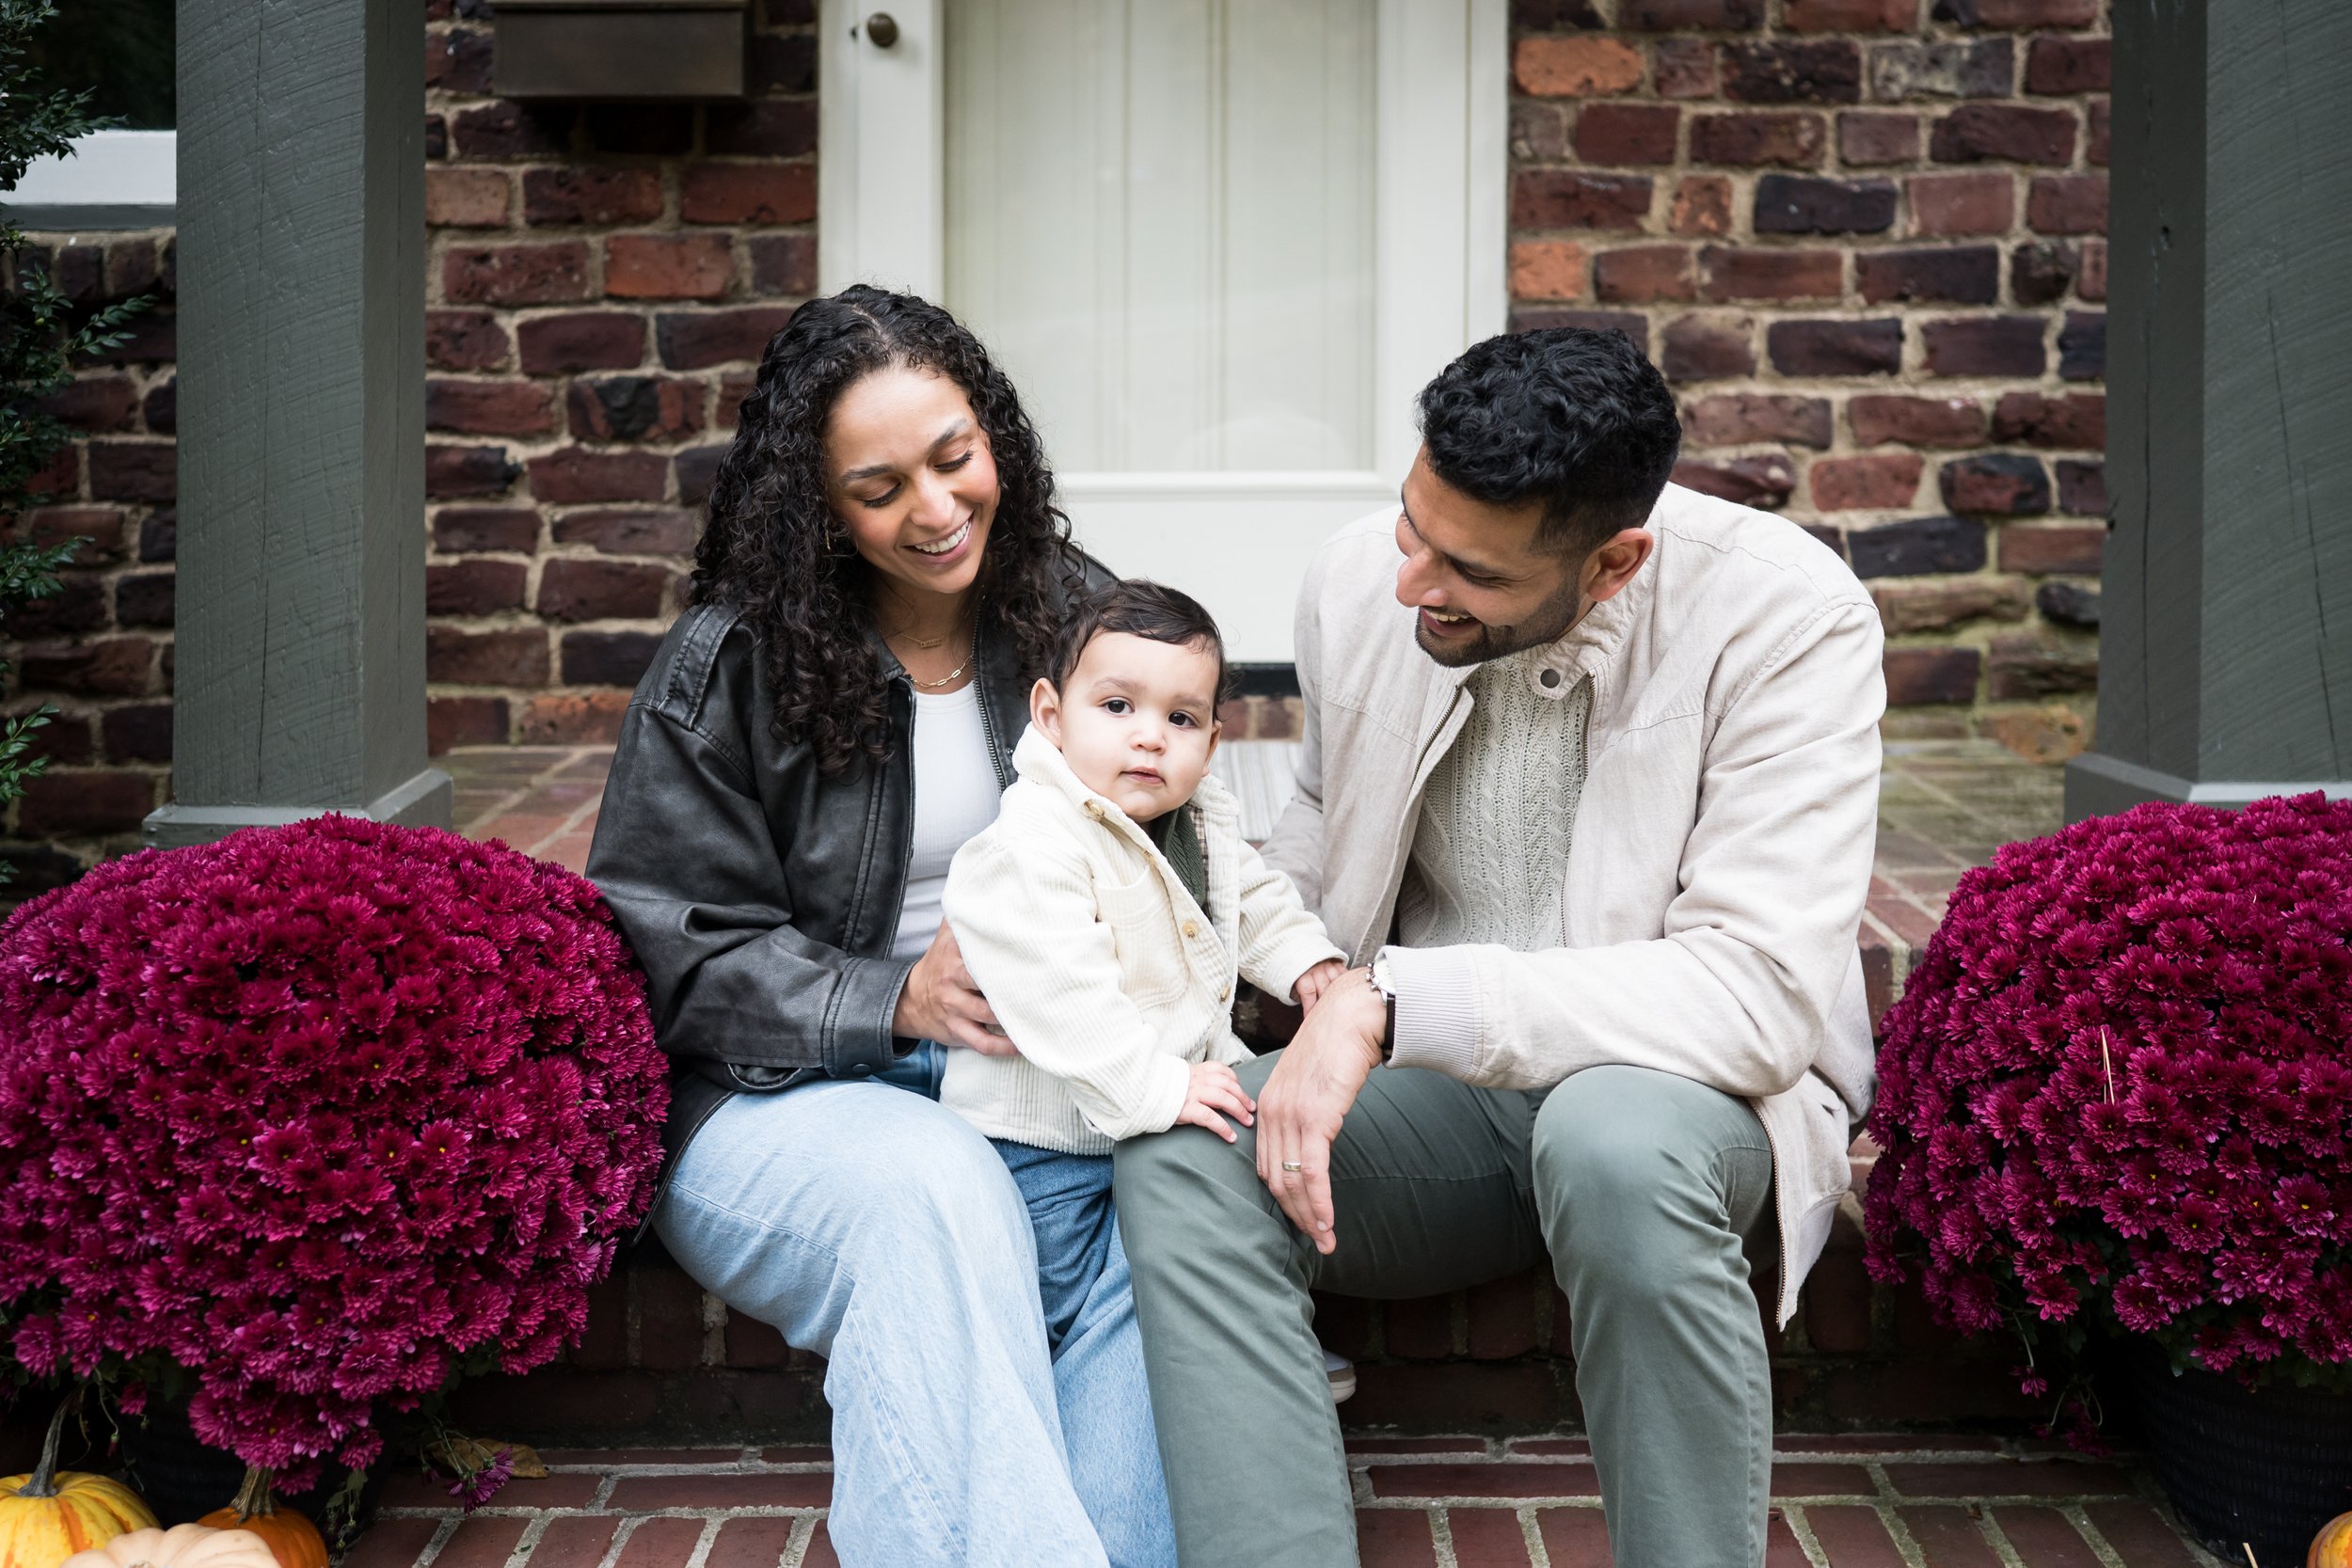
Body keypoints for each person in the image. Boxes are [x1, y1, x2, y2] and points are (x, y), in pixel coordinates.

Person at [1112, 326, 1886, 1568]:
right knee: (1187, 1147)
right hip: (1447, 1104)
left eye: (1466, 566)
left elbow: (1763, 995)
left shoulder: (1788, 617)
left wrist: (1391, 1003)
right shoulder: (1361, 573)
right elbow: (1321, 826)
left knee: (1611, 1145)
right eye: (1413, 522)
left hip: (1679, 1097)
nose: (1411, 579)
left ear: (1614, 561)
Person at [586, 284, 1161, 1568]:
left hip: (1031, 1065)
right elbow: (665, 947)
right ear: (818, 508)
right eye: (882, 485)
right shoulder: (726, 669)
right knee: (930, 1189)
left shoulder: (1078, 614)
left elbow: (1171, 836)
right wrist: (892, 998)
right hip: (775, 1094)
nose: (940, 507)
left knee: (1174, 1203)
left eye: (957, 457)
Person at [938, 583, 1348, 1481]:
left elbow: (1259, 901)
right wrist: (1159, 1086)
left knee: (1198, 1243)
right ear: (1052, 714)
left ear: (1215, 736)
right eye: (1117, 706)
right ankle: (1031, 1418)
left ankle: (1242, 1343)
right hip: (1046, 1147)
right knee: (1060, 1300)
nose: (1148, 735)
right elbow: (1064, 1000)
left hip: (1154, 1119)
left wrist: (1309, 966)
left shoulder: (1200, 819)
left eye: (1181, 716)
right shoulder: (1032, 845)